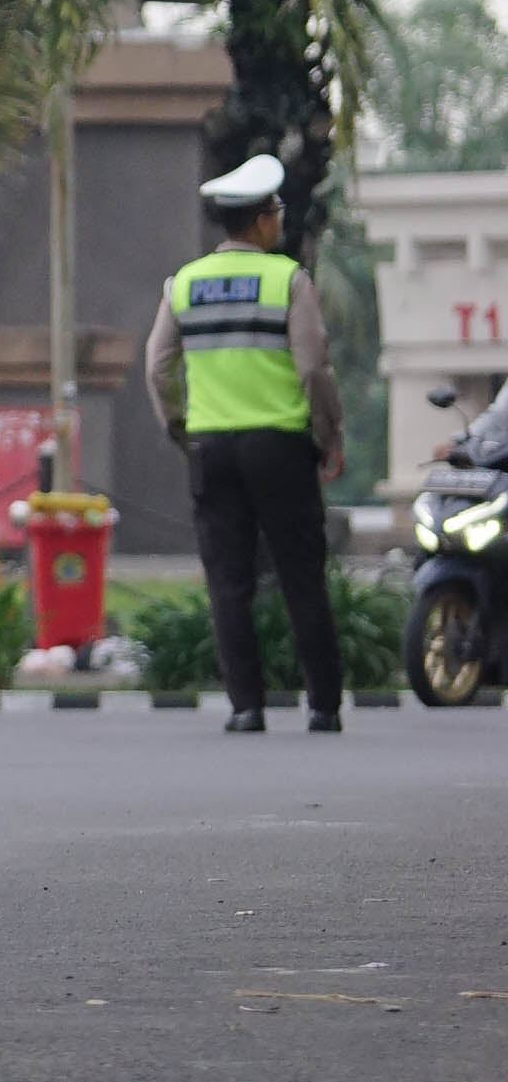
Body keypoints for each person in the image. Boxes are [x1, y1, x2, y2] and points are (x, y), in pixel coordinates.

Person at [144, 150, 347, 733]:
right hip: (279, 446)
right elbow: (313, 369)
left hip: (213, 448)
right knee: (301, 576)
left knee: (227, 580)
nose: (280, 219)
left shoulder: (183, 284)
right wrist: (328, 435)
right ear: (260, 221)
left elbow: (158, 368)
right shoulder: (287, 280)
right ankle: (323, 706)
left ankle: (246, 706)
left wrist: (182, 428)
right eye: (276, 211)